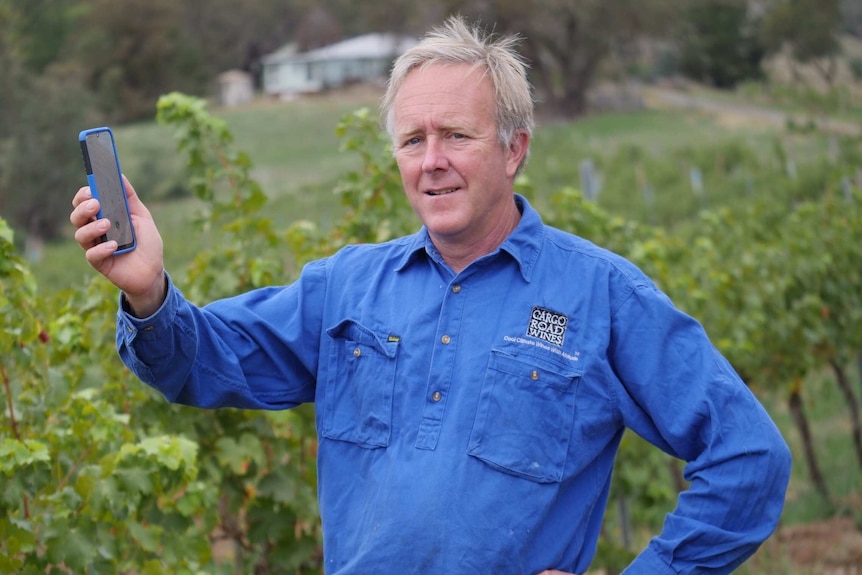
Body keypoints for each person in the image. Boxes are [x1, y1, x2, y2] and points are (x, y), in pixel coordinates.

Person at [70, 16, 792, 575]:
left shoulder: (599, 295)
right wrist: (149, 292)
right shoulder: (347, 287)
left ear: (515, 148)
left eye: (456, 135)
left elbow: (748, 456)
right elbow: (198, 362)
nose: (433, 161)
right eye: (413, 140)